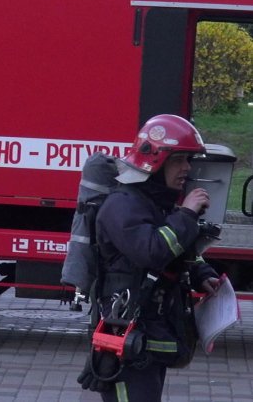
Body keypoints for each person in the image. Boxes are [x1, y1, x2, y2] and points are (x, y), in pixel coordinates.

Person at [78, 114, 221, 401]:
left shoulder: (155, 202)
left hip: (148, 337)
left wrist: (201, 273)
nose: (187, 167)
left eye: (188, 160)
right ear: (155, 161)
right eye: (179, 160)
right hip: (126, 337)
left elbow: (176, 250)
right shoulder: (122, 205)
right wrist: (186, 214)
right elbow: (151, 251)